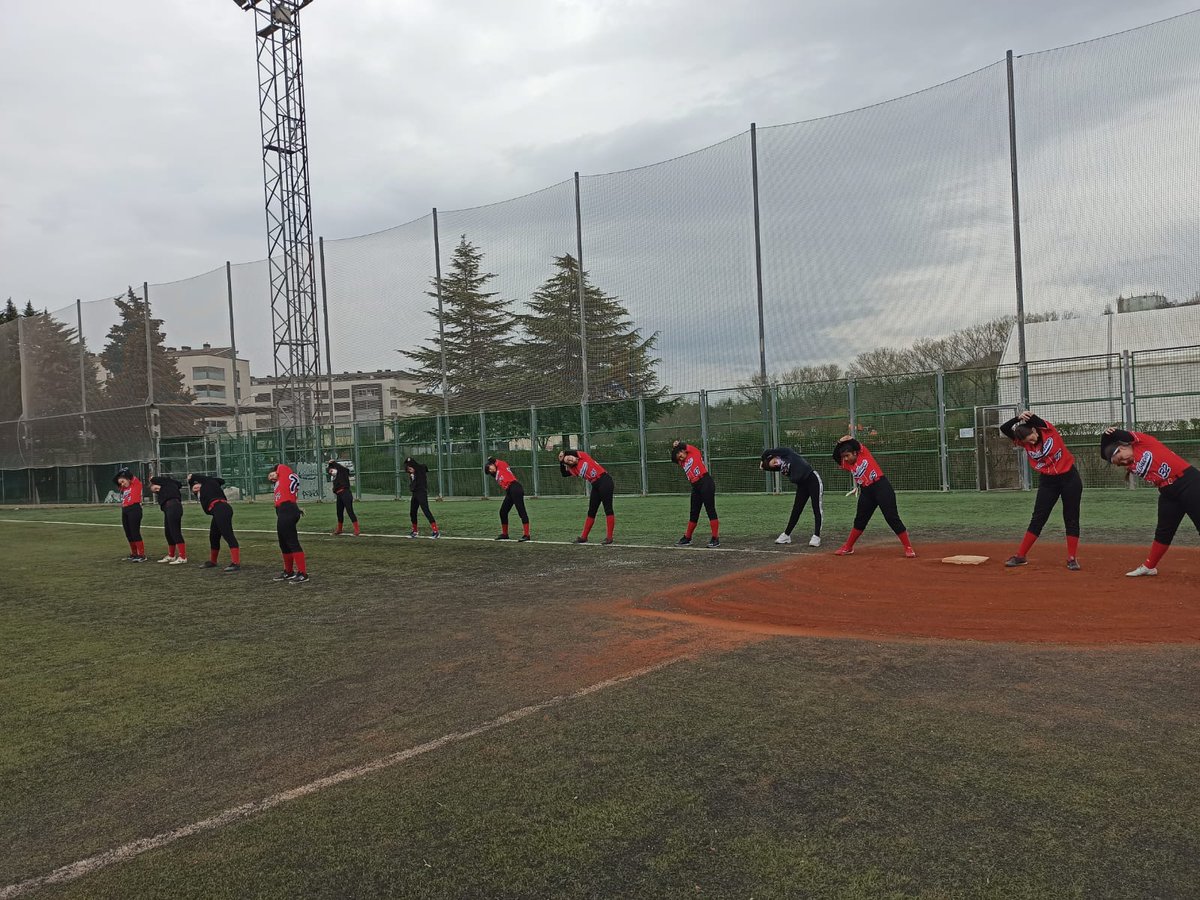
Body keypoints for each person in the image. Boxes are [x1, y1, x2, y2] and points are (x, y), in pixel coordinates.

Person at [1100, 427, 1199, 577]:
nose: (1124, 462)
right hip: (1168, 492)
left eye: (1121, 458)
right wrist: (1111, 453)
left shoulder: (1142, 442)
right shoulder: (1132, 465)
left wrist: (1105, 435)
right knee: (1163, 532)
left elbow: (1114, 436)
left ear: (1122, 447)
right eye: (1120, 464)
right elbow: (1105, 455)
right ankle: (1149, 567)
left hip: (1188, 483)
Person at [999, 411, 1083, 570]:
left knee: (1071, 516)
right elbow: (1004, 428)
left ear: (1035, 430)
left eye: (1031, 435)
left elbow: (1035, 420)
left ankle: (1072, 558)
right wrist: (1017, 418)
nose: (1030, 440)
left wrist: (1026, 415)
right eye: (1025, 440)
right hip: (1048, 481)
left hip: (1070, 478)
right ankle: (1020, 556)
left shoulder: (1048, 430)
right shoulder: (1025, 443)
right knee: (1038, 517)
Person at [830, 435, 916, 557]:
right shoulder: (848, 464)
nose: (846, 459)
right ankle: (848, 547)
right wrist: (839, 444)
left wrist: (848, 439)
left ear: (855, 453)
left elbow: (855, 444)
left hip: (881, 486)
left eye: (847, 455)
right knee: (860, 520)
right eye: (844, 457)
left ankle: (908, 547)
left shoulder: (863, 453)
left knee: (891, 517)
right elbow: (835, 456)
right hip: (866, 492)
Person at [760, 447, 823, 547]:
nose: (775, 464)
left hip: (812, 479)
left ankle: (816, 536)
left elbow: (767, 452)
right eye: (773, 465)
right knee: (796, 510)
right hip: (801, 485)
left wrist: (763, 459)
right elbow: (763, 467)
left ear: (774, 456)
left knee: (816, 508)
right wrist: (766, 464)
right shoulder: (780, 467)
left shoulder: (787, 454)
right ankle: (786, 535)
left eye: (773, 461)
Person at [559, 448, 615, 544]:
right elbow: (564, 474)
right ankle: (584, 537)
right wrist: (561, 462)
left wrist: (563, 454)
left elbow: (570, 452)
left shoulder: (582, 456)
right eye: (568, 461)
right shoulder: (574, 470)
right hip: (595, 485)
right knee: (591, 511)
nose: (570, 459)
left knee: (608, 509)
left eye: (569, 457)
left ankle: (609, 537)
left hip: (604, 480)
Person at [670, 440, 719, 548]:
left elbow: (683, 446)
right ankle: (687, 537)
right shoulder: (682, 462)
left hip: (705, 482)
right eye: (678, 456)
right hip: (695, 486)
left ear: (684, 450)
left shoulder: (693, 452)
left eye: (680, 454)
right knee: (694, 512)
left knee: (710, 510)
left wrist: (677, 445)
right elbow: (673, 459)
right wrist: (674, 451)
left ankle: (715, 538)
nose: (680, 457)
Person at [188, 473, 241, 572]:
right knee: (213, 536)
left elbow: (219, 480)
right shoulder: (203, 491)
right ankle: (213, 561)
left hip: (221, 508)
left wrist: (193, 476)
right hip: (218, 510)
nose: (195, 487)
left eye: (196, 485)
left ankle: (236, 563)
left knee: (228, 535)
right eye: (193, 487)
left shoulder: (208, 483)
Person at [268, 462, 309, 582]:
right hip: (285, 510)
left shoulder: (284, 470)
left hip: (287, 509)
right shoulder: (283, 479)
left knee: (292, 542)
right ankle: (289, 571)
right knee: (283, 543)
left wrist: (276, 471)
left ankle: (303, 573)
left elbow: (280, 468)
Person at [484, 456, 530, 541]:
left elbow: (495, 461)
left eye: (489, 468)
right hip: (510, 491)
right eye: (488, 471)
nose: (490, 470)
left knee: (521, 511)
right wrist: (490, 467)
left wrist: (490, 459)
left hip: (515, 488)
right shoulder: (496, 474)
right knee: (503, 512)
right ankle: (505, 534)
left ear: (492, 464)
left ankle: (527, 535)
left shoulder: (501, 465)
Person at [149, 474, 187, 565]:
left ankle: (182, 557)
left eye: (155, 488)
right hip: (168, 508)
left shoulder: (167, 483)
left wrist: (152, 479)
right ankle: (171, 555)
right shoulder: (167, 487)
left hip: (173, 506)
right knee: (168, 532)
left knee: (175, 531)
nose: (156, 491)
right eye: (155, 491)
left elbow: (175, 483)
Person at [114, 467, 147, 562]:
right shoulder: (124, 488)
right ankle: (134, 553)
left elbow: (130, 475)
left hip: (134, 509)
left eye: (123, 481)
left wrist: (124, 472)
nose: (122, 484)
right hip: (125, 510)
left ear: (128, 479)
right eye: (121, 483)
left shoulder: (135, 483)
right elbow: (115, 480)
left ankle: (142, 555)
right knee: (128, 533)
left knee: (135, 532)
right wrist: (120, 477)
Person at [404, 456, 439, 538]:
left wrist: (416, 469)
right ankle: (415, 531)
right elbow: (413, 485)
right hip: (415, 494)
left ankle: (436, 531)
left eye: (410, 467)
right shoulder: (412, 474)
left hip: (421, 493)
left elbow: (424, 467)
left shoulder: (420, 470)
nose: (409, 469)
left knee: (426, 511)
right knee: (412, 512)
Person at [326, 458, 360, 536]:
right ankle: (339, 529)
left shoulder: (343, 471)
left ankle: (356, 529)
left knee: (349, 511)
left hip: (345, 493)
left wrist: (333, 462)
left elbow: (343, 469)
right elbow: (329, 470)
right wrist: (330, 464)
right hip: (339, 494)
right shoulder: (335, 476)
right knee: (339, 512)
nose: (331, 471)